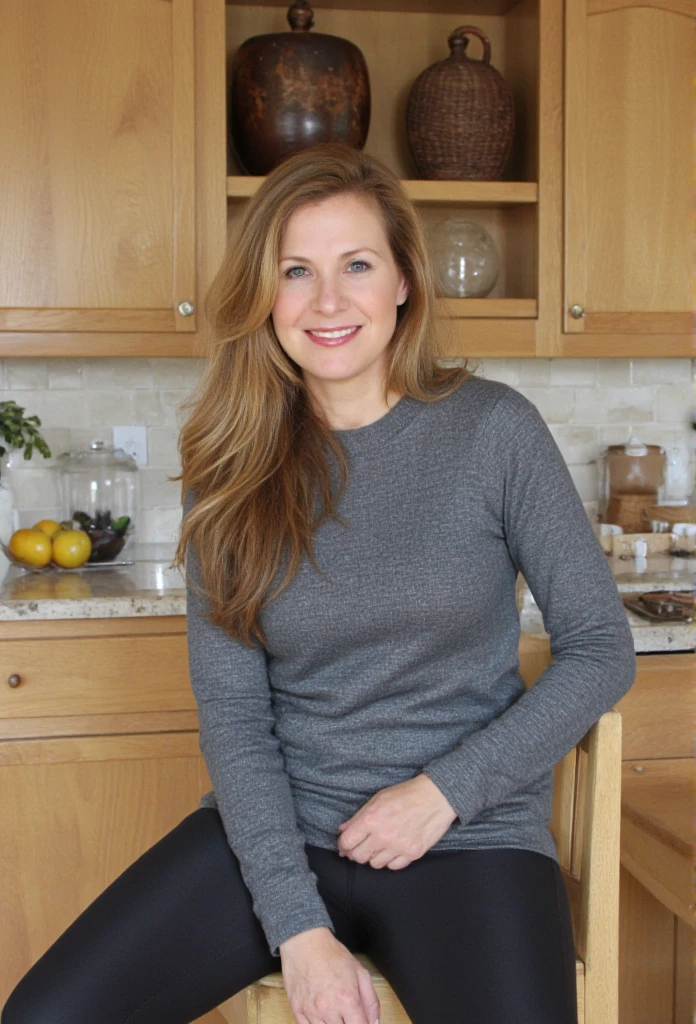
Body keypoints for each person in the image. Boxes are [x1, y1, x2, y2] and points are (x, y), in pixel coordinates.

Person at [1, 143, 637, 1024]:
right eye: (296, 271)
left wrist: (443, 792)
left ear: (404, 281)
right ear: (266, 294)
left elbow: (602, 650)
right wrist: (298, 930)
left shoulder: (495, 432)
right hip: (278, 832)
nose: (327, 301)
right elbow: (235, 715)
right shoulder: (229, 466)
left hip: (467, 836)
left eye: (357, 266)